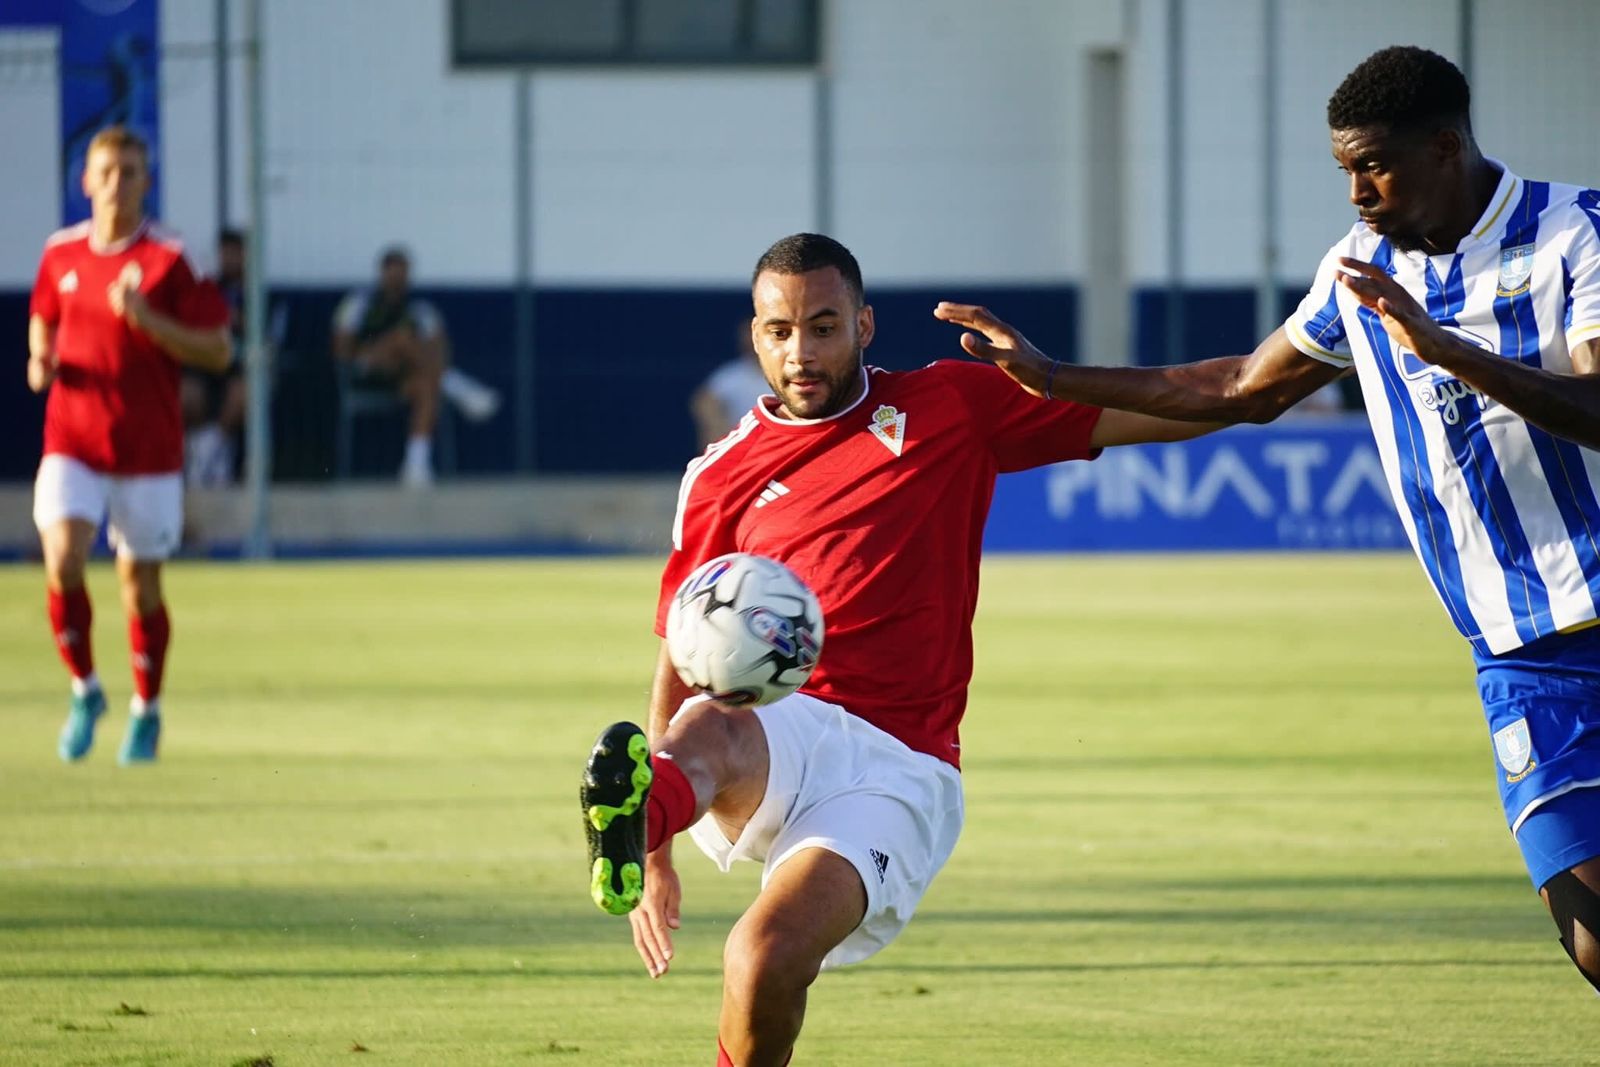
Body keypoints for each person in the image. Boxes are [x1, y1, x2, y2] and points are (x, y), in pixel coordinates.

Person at [934, 45, 1600, 994]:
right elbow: (1244, 388)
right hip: (1519, 651)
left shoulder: (1577, 233)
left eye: (1374, 166)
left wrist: (1447, 350)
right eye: (1343, 172)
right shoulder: (1358, 269)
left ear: (1445, 148)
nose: (1358, 193)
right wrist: (1052, 376)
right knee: (1591, 939)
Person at [580, 233, 1218, 1066]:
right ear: (755, 333)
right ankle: (634, 823)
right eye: (779, 331)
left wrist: (1290, 367)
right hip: (781, 730)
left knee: (762, 957)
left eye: (823, 326)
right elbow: (679, 654)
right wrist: (655, 854)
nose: (800, 352)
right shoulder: (721, 474)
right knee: (715, 718)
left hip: (900, 765)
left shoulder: (951, 404)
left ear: (865, 325)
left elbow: (1167, 402)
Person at [27, 124, 232, 764]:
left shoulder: (172, 259)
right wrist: (40, 357)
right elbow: (44, 314)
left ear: (148, 180)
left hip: (146, 449)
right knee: (62, 556)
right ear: (86, 181)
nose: (119, 182)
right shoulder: (60, 253)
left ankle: (147, 708)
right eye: (108, 171)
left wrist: (148, 320)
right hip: (73, 439)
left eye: (132, 171)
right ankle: (85, 689)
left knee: (138, 584)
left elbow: (219, 350)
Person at [331, 246, 500, 486]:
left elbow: (441, 351)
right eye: (393, 273)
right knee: (402, 337)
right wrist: (379, 351)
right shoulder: (359, 304)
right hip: (367, 371)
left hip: (404, 377)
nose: (398, 280)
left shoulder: (419, 309)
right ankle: (456, 386)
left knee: (427, 387)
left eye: (403, 274)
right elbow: (341, 350)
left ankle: (415, 466)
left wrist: (416, 355)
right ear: (382, 272)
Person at [181, 228, 248, 487]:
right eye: (226, 252)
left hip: (240, 366)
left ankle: (214, 450)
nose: (231, 258)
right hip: (206, 362)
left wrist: (240, 320)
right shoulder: (208, 289)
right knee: (187, 393)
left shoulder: (256, 293)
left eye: (236, 252)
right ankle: (197, 452)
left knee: (241, 394)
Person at [690, 322, 770, 449]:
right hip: (740, 447)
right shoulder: (730, 376)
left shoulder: (790, 373)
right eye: (749, 334)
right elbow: (703, 402)